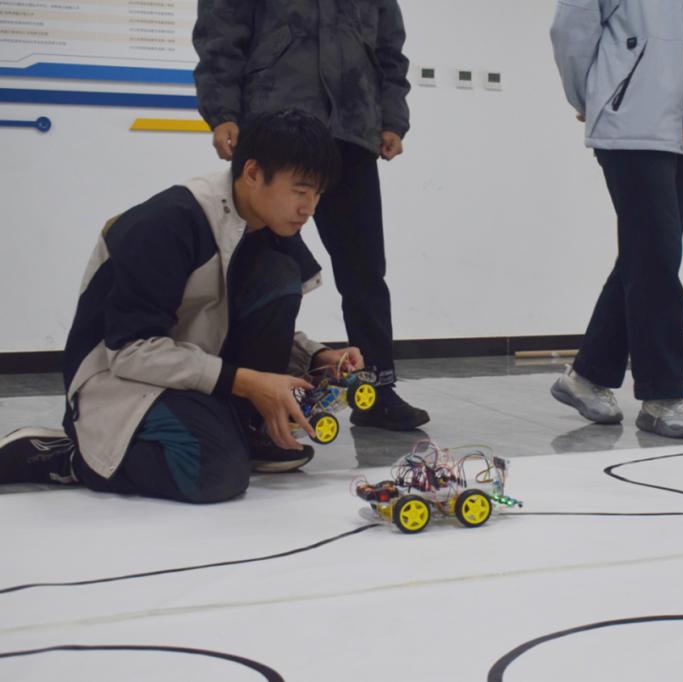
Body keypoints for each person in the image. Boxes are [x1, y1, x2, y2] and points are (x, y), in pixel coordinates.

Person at [0, 110, 361, 504]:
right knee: (215, 473)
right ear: (253, 173)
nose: (310, 207)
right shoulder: (168, 223)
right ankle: (74, 457)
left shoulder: (271, 225)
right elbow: (129, 352)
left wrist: (316, 357)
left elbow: (232, 320)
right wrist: (246, 382)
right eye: (300, 190)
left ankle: (246, 430)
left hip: (189, 365)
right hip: (121, 377)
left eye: (317, 194)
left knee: (279, 276)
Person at [192, 0, 428, 431]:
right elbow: (220, 30)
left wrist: (392, 117)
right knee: (261, 266)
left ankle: (376, 390)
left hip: (353, 131)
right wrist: (222, 111)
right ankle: (249, 389)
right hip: (275, 125)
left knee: (365, 271)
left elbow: (390, 48)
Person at [548, 0, 683, 438]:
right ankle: (663, 395)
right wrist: (595, 98)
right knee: (656, 257)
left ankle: (587, 375)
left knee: (647, 256)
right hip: (630, 125)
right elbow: (569, 31)